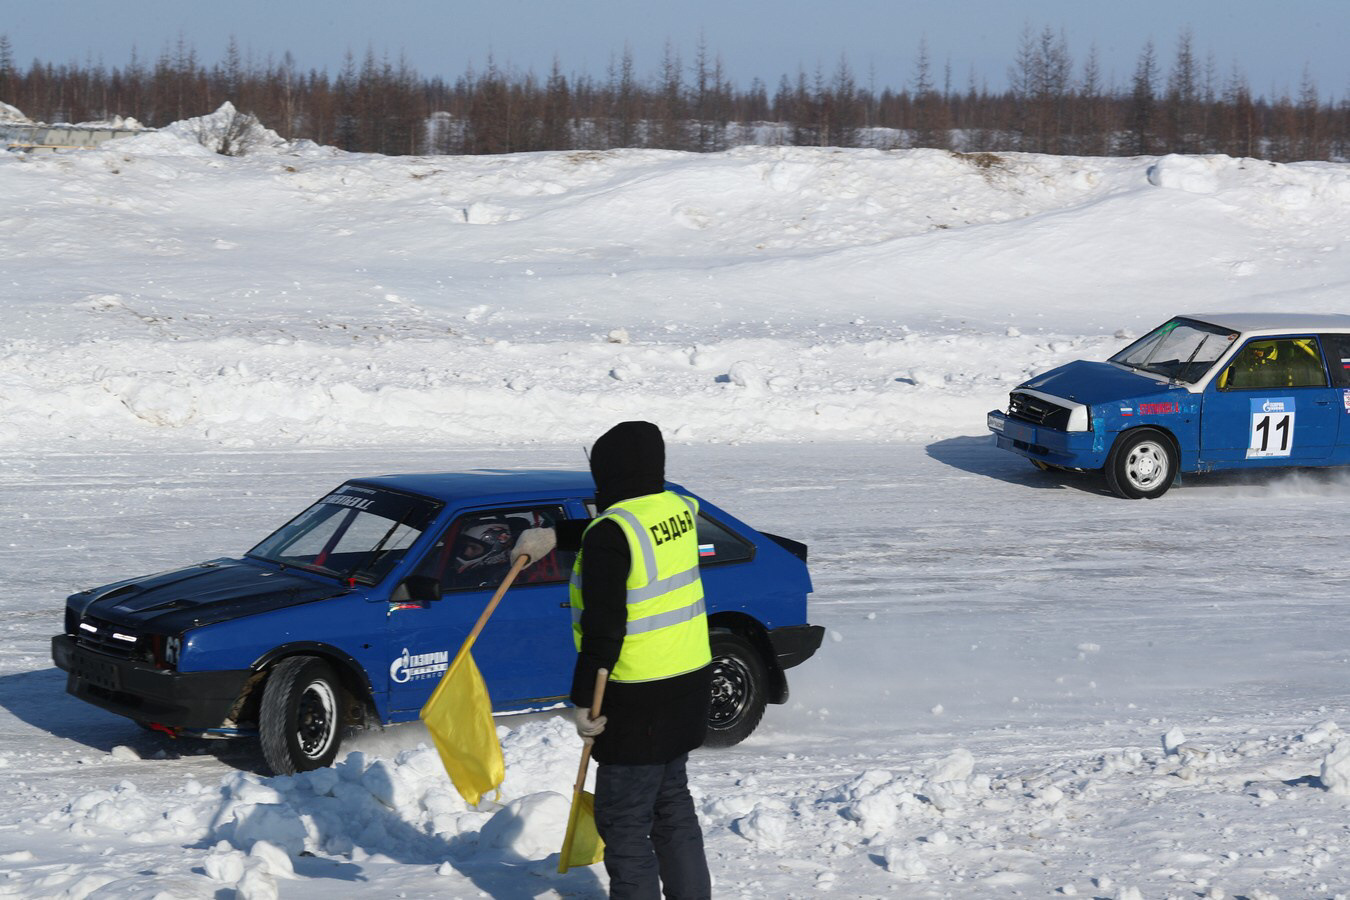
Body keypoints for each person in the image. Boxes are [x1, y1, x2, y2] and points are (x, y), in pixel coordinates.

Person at [567, 420, 713, 900]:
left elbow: (604, 629)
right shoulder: (679, 508)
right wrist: (557, 535)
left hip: (636, 699)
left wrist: (585, 702)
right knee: (672, 807)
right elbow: (623, 539)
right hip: (688, 681)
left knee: (625, 823)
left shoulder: (610, 533)